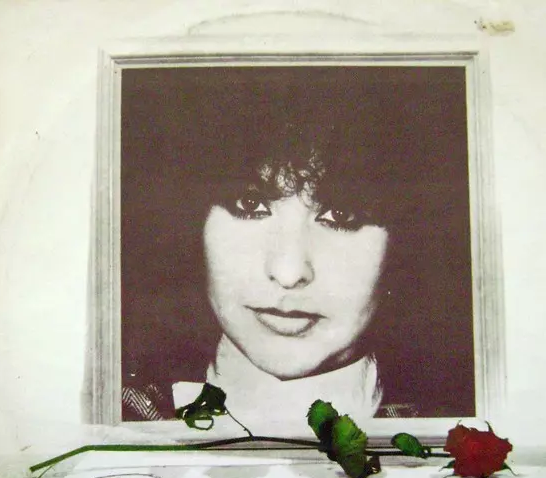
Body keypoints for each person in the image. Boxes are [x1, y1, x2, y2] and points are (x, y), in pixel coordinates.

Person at [120, 66, 475, 426]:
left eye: (341, 214)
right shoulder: (115, 418)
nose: (288, 273)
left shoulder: (463, 426)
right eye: (250, 205)